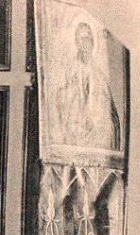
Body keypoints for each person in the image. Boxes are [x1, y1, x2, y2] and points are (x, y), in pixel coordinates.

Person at [55, 21, 121, 150]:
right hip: (77, 126)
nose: (86, 43)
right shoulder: (72, 69)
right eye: (82, 39)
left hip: (97, 129)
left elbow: (109, 111)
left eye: (89, 39)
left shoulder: (99, 74)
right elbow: (64, 100)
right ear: (77, 43)